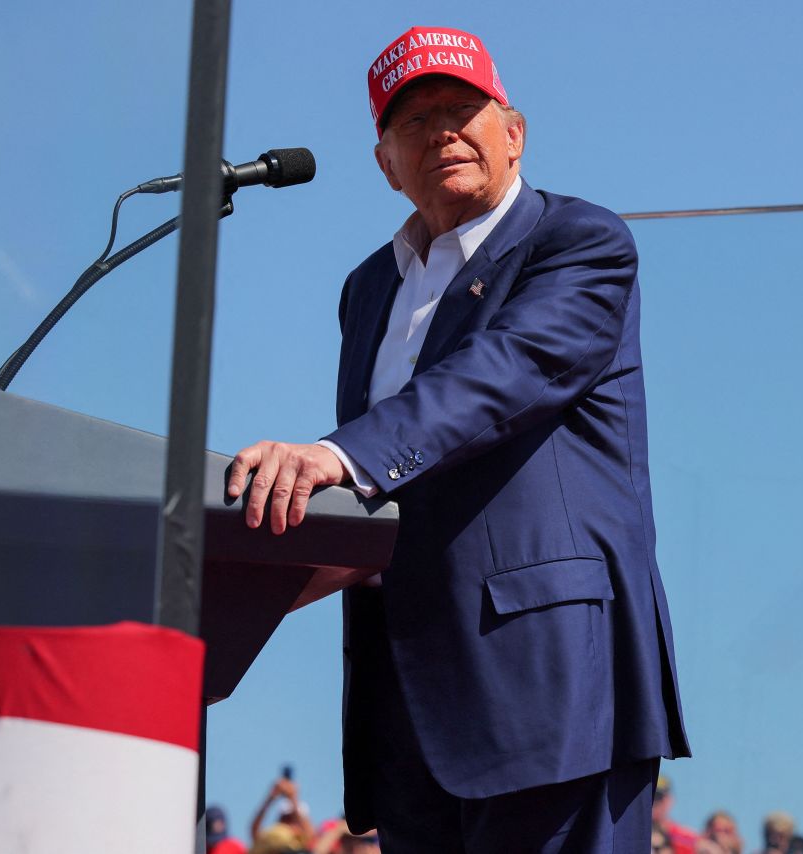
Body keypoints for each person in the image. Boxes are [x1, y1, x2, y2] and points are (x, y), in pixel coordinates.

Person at [227, 25, 690, 853]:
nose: (442, 131)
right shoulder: (368, 288)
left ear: (513, 134)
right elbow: (397, 484)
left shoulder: (578, 243)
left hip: (551, 683)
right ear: (386, 164)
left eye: (460, 109)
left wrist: (336, 457)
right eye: (414, 121)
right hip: (408, 700)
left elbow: (500, 375)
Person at [248, 776, 315, 854]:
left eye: (293, 818)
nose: (288, 822)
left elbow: (311, 835)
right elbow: (254, 832)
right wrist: (270, 798)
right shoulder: (272, 835)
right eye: (285, 818)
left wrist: (293, 798)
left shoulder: (301, 839)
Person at [651, 776, 697, 854]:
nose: (654, 802)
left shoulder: (687, 839)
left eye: (658, 797)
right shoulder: (632, 835)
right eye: (650, 796)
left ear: (670, 800)